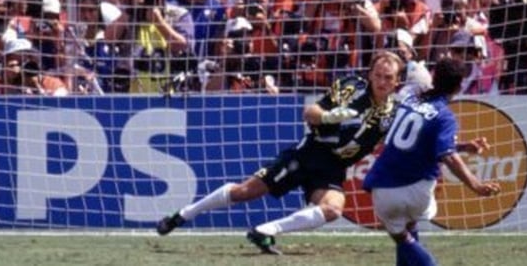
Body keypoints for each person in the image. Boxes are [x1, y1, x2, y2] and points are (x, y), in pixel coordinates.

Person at [156, 52, 416, 254]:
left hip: (334, 166)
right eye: (378, 75)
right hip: (308, 154)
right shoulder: (351, 87)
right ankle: (182, 215)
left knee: (333, 209)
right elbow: (310, 113)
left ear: (397, 82)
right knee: (244, 192)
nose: (382, 81)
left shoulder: (394, 113)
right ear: (370, 74)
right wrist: (329, 116)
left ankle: (263, 231)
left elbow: (398, 144)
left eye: (388, 77)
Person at [363, 56, 501, 266]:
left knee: (402, 238)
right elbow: (446, 154)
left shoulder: (408, 100)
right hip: (419, 189)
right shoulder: (444, 116)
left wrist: (463, 148)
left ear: (434, 77)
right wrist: (476, 184)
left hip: (385, 187)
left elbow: (419, 142)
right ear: (458, 86)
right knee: (409, 225)